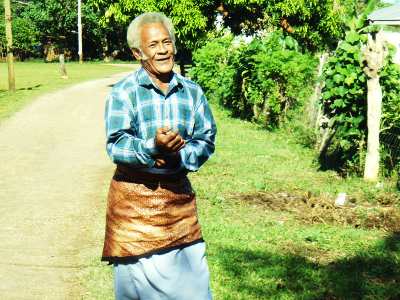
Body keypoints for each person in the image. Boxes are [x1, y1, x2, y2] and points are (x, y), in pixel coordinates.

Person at [101, 12, 217, 300]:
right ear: (138, 53)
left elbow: (206, 139)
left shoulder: (192, 92)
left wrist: (180, 157)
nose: (163, 50)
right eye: (153, 45)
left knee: (194, 287)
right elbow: (116, 144)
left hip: (178, 206)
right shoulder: (124, 92)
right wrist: (152, 148)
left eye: (167, 42)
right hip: (134, 208)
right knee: (137, 287)